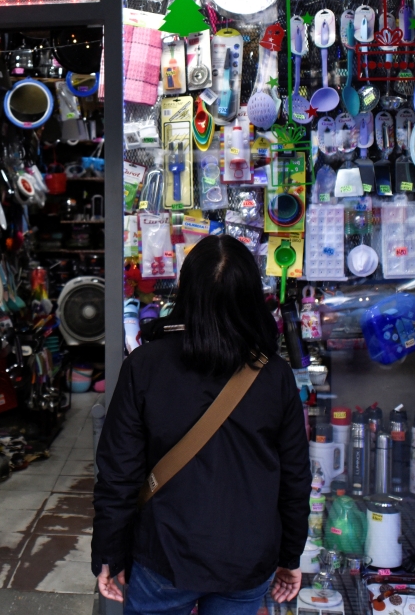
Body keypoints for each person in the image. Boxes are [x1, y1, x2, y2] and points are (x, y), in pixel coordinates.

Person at [92, 234, 311, 615]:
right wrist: (290, 555)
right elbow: (295, 478)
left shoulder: (144, 366)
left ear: (184, 290)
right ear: (250, 297)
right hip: (247, 559)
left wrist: (109, 553)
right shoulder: (274, 375)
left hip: (163, 558)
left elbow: (118, 474)